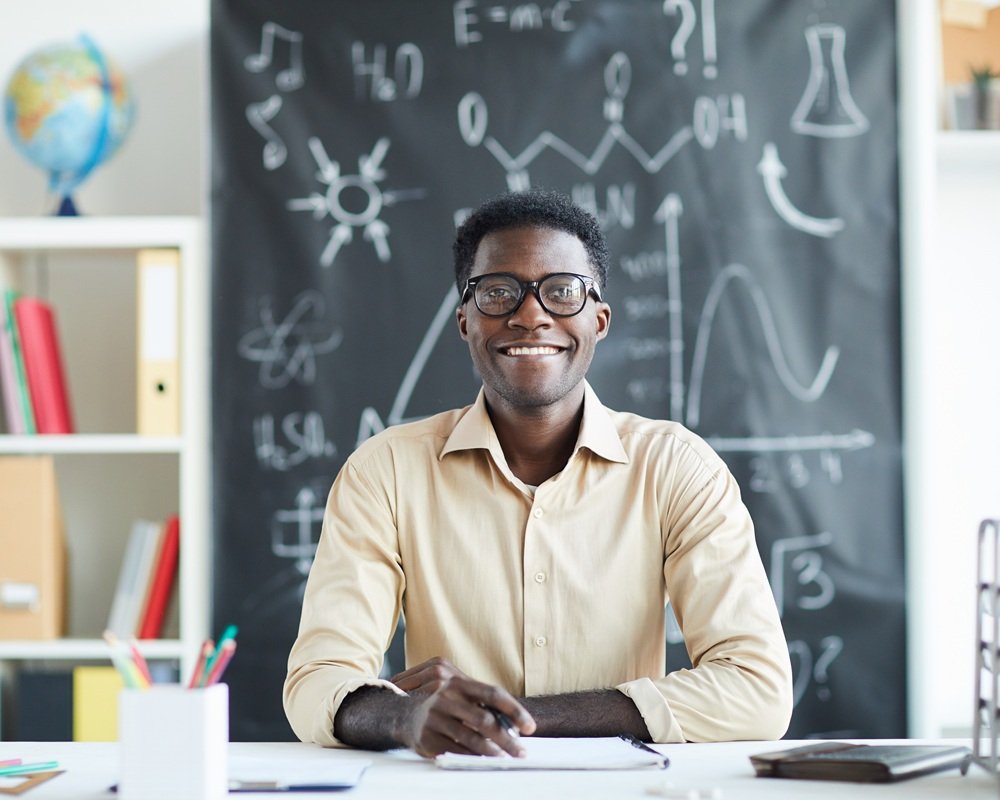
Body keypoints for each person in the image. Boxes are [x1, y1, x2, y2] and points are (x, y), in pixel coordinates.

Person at [283, 189, 792, 758]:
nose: (530, 315)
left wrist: (501, 719)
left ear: (599, 320)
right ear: (464, 321)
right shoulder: (386, 471)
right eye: (498, 292)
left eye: (562, 292)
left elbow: (758, 690)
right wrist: (407, 716)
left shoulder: (675, 469)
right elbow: (317, 683)